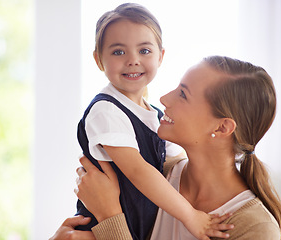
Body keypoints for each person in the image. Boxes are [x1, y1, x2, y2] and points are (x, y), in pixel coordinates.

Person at [54, 56, 281, 240]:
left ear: (222, 127)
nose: (165, 99)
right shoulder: (155, 174)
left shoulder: (255, 227)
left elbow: (111, 222)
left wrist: (110, 216)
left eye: (183, 95)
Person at [74, 3, 231, 240]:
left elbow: (177, 164)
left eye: (144, 51)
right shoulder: (106, 110)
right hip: (100, 230)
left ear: (161, 56)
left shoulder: (156, 115)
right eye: (118, 52)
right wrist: (190, 215)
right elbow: (138, 171)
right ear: (98, 60)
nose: (133, 60)